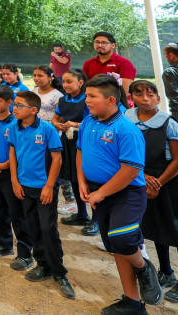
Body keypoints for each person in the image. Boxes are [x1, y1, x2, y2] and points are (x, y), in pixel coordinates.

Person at [77, 74, 161, 313]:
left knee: (122, 239)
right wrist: (83, 183)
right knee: (117, 247)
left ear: (111, 99)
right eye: (87, 96)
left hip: (127, 193)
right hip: (97, 192)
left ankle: (144, 266)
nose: (87, 101)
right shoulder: (88, 122)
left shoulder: (125, 129)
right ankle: (133, 303)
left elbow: (131, 170)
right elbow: (80, 152)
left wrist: (100, 193)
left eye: (92, 96)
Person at [125, 81, 178, 304]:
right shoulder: (128, 120)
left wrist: (156, 183)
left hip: (167, 181)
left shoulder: (169, 123)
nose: (145, 98)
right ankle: (166, 272)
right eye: (139, 94)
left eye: (150, 94)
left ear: (158, 98)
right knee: (156, 227)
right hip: (140, 178)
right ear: (132, 98)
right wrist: (143, 178)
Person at [8, 90, 74, 299]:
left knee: (48, 228)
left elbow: (57, 159)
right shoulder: (14, 127)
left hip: (44, 187)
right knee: (33, 226)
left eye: (19, 105)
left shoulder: (47, 129)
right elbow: (12, 154)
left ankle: (59, 273)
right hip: (23, 186)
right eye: (14, 105)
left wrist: (49, 186)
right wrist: (14, 182)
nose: (14, 109)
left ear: (34, 110)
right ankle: (42, 265)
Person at [0, 84, 33, 267]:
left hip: (11, 173)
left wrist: (5, 165)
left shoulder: (16, 123)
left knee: (17, 213)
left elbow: (19, 151)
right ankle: (5, 244)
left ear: (10, 102)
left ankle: (25, 252)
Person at [53, 69, 97, 236]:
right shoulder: (63, 100)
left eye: (69, 81)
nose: (66, 85)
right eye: (64, 81)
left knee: (88, 180)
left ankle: (96, 219)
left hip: (85, 142)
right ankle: (82, 214)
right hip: (68, 141)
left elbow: (92, 120)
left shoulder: (87, 100)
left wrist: (75, 124)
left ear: (80, 83)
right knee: (73, 178)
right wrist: (58, 125)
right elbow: (56, 118)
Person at [82, 32, 137, 101]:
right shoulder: (88, 63)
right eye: (97, 42)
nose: (100, 45)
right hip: (92, 101)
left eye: (104, 43)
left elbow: (125, 90)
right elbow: (83, 85)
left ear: (113, 45)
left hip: (116, 102)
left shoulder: (124, 63)